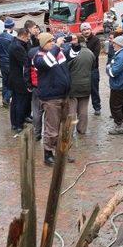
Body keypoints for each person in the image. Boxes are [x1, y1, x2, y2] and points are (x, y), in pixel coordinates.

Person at [33, 32, 75, 166]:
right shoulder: (38, 58)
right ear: (43, 44)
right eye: (50, 42)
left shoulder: (58, 52)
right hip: (50, 98)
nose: (52, 43)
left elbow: (72, 55)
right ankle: (48, 154)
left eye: (53, 41)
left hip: (64, 95)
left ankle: (62, 152)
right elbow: (48, 62)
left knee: (65, 127)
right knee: (52, 128)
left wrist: (76, 44)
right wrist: (56, 46)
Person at [67, 34, 95, 134]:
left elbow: (67, 68)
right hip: (86, 85)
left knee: (72, 110)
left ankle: (69, 131)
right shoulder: (90, 53)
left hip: (73, 86)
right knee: (83, 110)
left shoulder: (73, 54)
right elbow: (93, 68)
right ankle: (82, 129)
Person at [8, 28, 32, 133]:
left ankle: (15, 123)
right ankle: (18, 124)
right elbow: (26, 62)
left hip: (14, 77)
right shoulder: (17, 47)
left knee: (15, 101)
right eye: (28, 37)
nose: (28, 39)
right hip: (19, 79)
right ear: (23, 36)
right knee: (19, 101)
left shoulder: (15, 43)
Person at [80, 22, 102, 116]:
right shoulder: (80, 40)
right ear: (81, 31)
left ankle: (97, 107)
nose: (86, 31)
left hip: (93, 69)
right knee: (81, 90)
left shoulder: (96, 40)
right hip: (82, 70)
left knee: (94, 89)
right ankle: (81, 109)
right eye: (84, 30)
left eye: (87, 29)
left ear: (90, 29)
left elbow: (95, 55)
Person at [0, 18, 15, 107]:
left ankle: (4, 100)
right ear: (12, 27)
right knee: (12, 82)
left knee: (5, 81)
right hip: (9, 63)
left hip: (1, 62)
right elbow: (13, 52)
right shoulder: (11, 38)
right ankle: (6, 99)